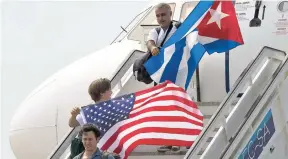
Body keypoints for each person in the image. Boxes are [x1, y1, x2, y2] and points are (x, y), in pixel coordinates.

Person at [146, 3, 181, 153]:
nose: (161, 18)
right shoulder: (156, 31)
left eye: (163, 15)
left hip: (177, 73)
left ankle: (177, 141)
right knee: (164, 109)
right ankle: (167, 141)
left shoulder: (179, 28)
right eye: (158, 16)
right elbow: (150, 42)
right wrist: (153, 47)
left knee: (175, 107)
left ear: (170, 14)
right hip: (161, 76)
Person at [69, 78, 112, 158]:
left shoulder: (112, 108)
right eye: (109, 90)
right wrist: (73, 115)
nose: (111, 92)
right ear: (102, 93)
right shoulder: (87, 112)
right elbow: (72, 124)